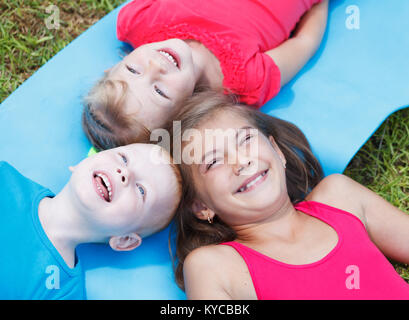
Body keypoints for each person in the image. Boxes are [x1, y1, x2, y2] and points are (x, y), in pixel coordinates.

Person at [170, 92, 409, 299]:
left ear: (277, 151)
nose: (241, 161)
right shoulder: (216, 267)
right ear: (201, 207)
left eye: (246, 140)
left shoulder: (339, 198)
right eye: (213, 162)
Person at [82, 0, 329, 150]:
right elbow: (304, 43)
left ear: (113, 66)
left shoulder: (138, 20)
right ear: (185, 111)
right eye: (160, 91)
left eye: (132, 70)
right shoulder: (246, 82)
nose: (155, 67)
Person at [0, 143, 181, 299]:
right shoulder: (4, 177)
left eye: (141, 190)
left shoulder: (60, 292)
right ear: (83, 161)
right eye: (124, 158)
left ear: (125, 240)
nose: (124, 172)